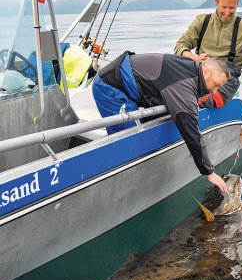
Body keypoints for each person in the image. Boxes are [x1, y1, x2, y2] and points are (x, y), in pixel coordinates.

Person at [92, 51, 230, 192]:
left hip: (133, 86)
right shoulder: (184, 86)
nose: (214, 91)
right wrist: (209, 172)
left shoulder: (191, 68)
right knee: (126, 140)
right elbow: (192, 133)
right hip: (110, 87)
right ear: (206, 72)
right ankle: (114, 186)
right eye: (215, 85)